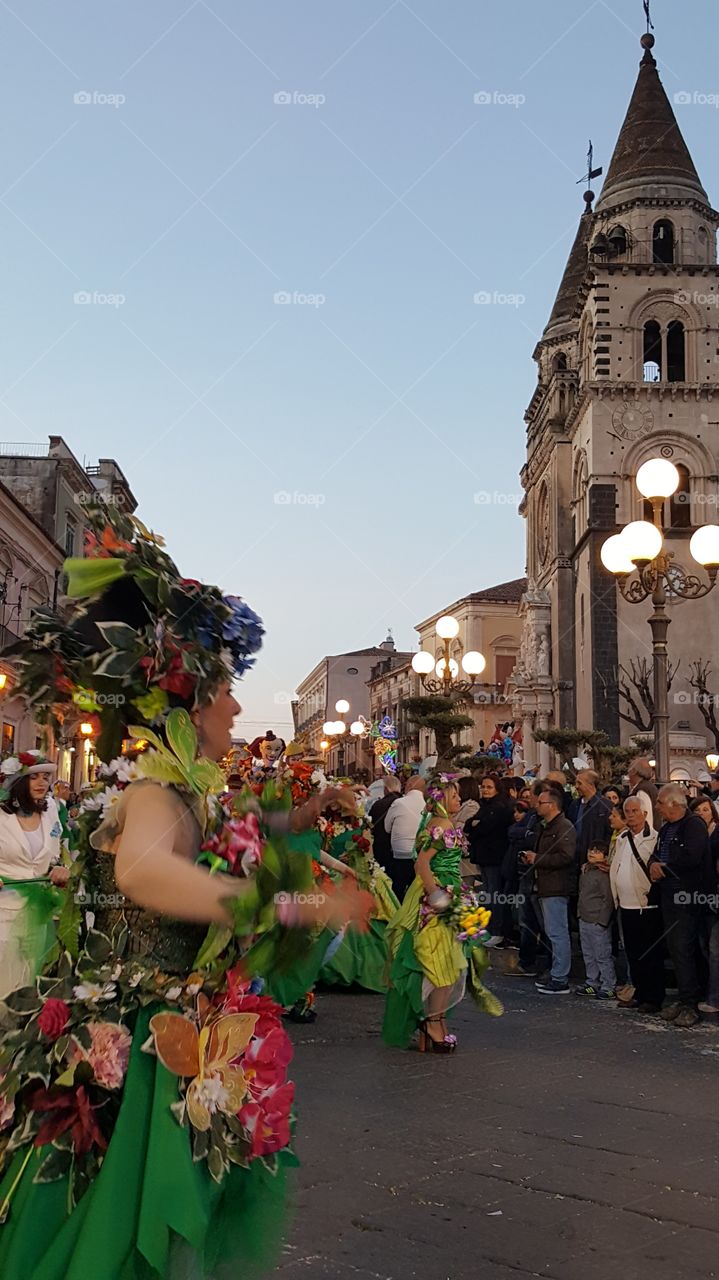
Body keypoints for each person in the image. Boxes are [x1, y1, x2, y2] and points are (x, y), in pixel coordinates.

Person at [0, 503, 371, 1279]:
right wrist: (288, 906)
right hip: (137, 1035)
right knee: (123, 1217)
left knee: (149, 1216)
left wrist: (301, 813)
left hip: (168, 1023)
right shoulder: (152, 790)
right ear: (191, 703)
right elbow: (143, 870)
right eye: (227, 692)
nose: (238, 707)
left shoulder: (183, 788)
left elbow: (230, 829)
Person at [383, 779, 501, 1052]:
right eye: (454, 795)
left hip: (448, 888)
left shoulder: (437, 822)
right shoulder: (442, 824)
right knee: (443, 962)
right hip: (440, 893)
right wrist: (436, 896)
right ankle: (433, 1022)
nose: (459, 799)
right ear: (443, 799)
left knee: (447, 960)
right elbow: (421, 863)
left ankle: (435, 1020)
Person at [0, 754, 70, 997]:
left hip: (37, 916)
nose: (42, 783)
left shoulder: (51, 811)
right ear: (19, 781)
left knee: (28, 983)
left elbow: (54, 857)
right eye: (34, 777)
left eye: (46, 777)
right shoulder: (1, 815)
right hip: (3, 912)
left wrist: (59, 870)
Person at [649, 783, 714, 1028]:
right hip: (668, 896)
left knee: (684, 947)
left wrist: (664, 868)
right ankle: (684, 997)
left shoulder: (693, 825)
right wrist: (654, 865)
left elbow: (692, 857)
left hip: (687, 897)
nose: (657, 807)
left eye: (660, 803)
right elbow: (656, 853)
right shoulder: (666, 828)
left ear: (675, 804)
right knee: (676, 949)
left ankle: (690, 1002)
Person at [610, 796, 664, 1013]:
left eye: (634, 811)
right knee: (633, 953)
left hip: (646, 905)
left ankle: (653, 997)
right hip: (625, 905)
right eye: (627, 811)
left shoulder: (655, 839)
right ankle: (640, 993)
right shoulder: (622, 837)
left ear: (644, 813)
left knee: (650, 954)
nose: (631, 815)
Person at [523, 784, 577, 994]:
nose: (537, 805)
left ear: (552, 805)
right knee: (552, 932)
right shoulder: (545, 825)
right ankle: (556, 973)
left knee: (557, 933)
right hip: (542, 885)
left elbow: (566, 856)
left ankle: (560, 977)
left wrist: (538, 859)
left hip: (556, 887)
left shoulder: (563, 827)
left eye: (542, 802)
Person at [465, 774, 512, 947]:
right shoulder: (484, 805)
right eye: (483, 786)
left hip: (495, 857)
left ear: (497, 789)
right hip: (484, 856)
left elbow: (484, 827)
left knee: (495, 894)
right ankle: (490, 928)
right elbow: (469, 825)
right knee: (489, 893)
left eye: (489, 787)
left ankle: (497, 930)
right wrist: (475, 825)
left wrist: (477, 825)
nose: (485, 790)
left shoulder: (500, 806)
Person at [515, 781, 551, 977]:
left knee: (546, 924)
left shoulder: (553, 824)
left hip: (543, 879)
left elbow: (529, 839)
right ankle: (526, 961)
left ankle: (548, 965)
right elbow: (514, 832)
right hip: (527, 876)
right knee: (526, 920)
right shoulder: (531, 816)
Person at [575, 840, 617, 999]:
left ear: (605, 856)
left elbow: (608, 899)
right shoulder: (585, 871)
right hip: (584, 918)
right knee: (588, 954)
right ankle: (592, 982)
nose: (592, 853)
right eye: (590, 850)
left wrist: (602, 921)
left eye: (597, 851)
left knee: (602, 954)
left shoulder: (604, 875)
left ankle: (608, 985)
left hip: (597, 921)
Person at [385, 776, 426, 899]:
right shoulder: (427, 806)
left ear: (408, 786)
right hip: (420, 857)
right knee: (416, 895)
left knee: (397, 891)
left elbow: (387, 828)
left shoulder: (399, 803)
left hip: (400, 855)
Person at [574, 770, 612, 865]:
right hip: (575, 860)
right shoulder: (574, 805)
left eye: (579, 783)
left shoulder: (605, 807)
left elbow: (609, 834)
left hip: (596, 862)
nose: (576, 786)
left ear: (591, 785)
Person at [368, 774, 401, 869]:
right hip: (401, 850)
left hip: (381, 849)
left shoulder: (378, 805)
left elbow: (371, 824)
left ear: (386, 789)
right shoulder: (405, 802)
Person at [627, 758, 658, 826]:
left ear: (634, 771)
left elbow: (646, 817)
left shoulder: (642, 790)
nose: (628, 775)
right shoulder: (649, 787)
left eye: (629, 771)